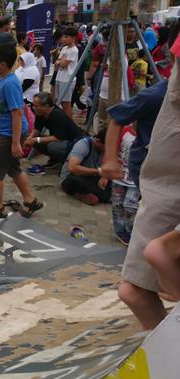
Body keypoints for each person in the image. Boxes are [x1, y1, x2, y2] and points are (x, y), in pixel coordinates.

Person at [118, 39, 180, 330]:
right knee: (136, 289)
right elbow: (117, 118)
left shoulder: (159, 91)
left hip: (158, 176)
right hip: (154, 173)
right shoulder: (156, 92)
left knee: (133, 290)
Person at [0, 43, 43, 219]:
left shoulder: (11, 83)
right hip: (4, 130)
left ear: (2, 64)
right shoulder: (0, 80)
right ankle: (31, 200)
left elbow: (16, 113)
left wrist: (15, 142)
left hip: (10, 133)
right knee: (13, 168)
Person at [25, 92, 84, 173]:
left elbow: (57, 138)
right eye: (33, 105)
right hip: (61, 139)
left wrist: (36, 139)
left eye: (36, 106)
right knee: (34, 140)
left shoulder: (57, 114)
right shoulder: (40, 113)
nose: (33, 108)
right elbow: (37, 129)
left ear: (46, 106)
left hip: (74, 142)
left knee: (52, 146)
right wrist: (30, 138)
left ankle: (66, 161)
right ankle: (55, 159)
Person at [59, 128, 110, 205]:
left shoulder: (108, 149)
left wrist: (105, 176)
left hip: (93, 177)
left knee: (114, 183)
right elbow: (72, 168)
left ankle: (86, 194)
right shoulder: (83, 144)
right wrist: (98, 172)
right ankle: (83, 193)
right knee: (75, 181)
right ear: (98, 141)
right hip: (75, 177)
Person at [109, 124, 139, 246]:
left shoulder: (148, 133)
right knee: (117, 205)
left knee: (130, 206)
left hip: (135, 180)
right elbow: (114, 150)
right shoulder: (124, 131)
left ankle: (130, 230)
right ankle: (120, 231)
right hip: (119, 177)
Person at [55, 27, 79, 120]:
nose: (64, 39)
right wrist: (60, 61)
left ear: (73, 38)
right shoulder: (64, 48)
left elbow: (63, 64)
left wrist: (60, 61)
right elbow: (58, 62)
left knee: (66, 103)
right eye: (64, 37)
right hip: (60, 77)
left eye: (67, 37)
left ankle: (69, 122)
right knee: (61, 102)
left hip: (68, 79)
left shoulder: (74, 50)